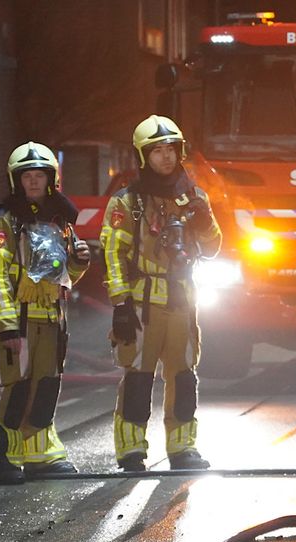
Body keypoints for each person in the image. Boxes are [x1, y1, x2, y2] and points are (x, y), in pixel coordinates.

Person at [100, 115, 222, 472]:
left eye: (171, 149)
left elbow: (214, 247)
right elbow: (112, 254)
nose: (166, 158)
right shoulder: (128, 202)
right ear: (143, 156)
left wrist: (204, 222)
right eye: (157, 151)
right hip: (142, 303)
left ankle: (183, 449)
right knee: (138, 377)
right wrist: (121, 305)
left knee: (184, 376)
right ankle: (131, 450)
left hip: (183, 299)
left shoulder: (196, 197)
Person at [0, 141, 90, 484]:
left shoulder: (60, 222)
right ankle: (5, 457)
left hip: (52, 318)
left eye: (39, 175)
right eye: (26, 176)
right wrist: (8, 326)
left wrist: (79, 261)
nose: (33, 182)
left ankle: (41, 455)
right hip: (19, 319)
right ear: (16, 180)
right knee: (12, 389)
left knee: (46, 386)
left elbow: (64, 274)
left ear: (51, 179)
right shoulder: (2, 223)